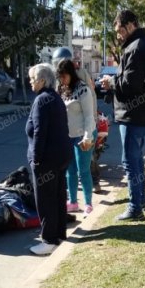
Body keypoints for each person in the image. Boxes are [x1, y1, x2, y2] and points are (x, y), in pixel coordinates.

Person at [100, 9, 145, 221]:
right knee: (137, 159)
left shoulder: (137, 47)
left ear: (131, 25)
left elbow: (130, 85)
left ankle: (135, 207)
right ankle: (141, 200)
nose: (118, 35)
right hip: (138, 113)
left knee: (130, 161)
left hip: (133, 113)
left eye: (120, 30)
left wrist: (110, 82)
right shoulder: (143, 43)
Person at [26, 63, 73, 256]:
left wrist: (36, 159)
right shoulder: (55, 98)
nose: (30, 82)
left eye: (32, 79)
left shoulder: (42, 100)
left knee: (46, 200)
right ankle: (59, 233)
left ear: (43, 81)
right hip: (60, 156)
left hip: (46, 159)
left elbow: (39, 131)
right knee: (58, 197)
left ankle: (48, 240)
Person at [51, 47, 102, 194]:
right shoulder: (58, 78)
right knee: (69, 164)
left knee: (86, 158)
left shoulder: (81, 74)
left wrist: (92, 121)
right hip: (67, 128)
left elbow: (91, 96)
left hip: (84, 124)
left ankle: (95, 182)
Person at [56, 59, 97, 218]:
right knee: (69, 171)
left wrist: (87, 137)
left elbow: (89, 116)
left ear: (71, 74)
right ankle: (72, 202)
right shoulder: (60, 89)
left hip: (83, 136)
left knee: (83, 170)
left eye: (64, 76)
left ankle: (88, 203)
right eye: (60, 76)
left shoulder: (83, 90)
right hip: (67, 136)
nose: (62, 79)